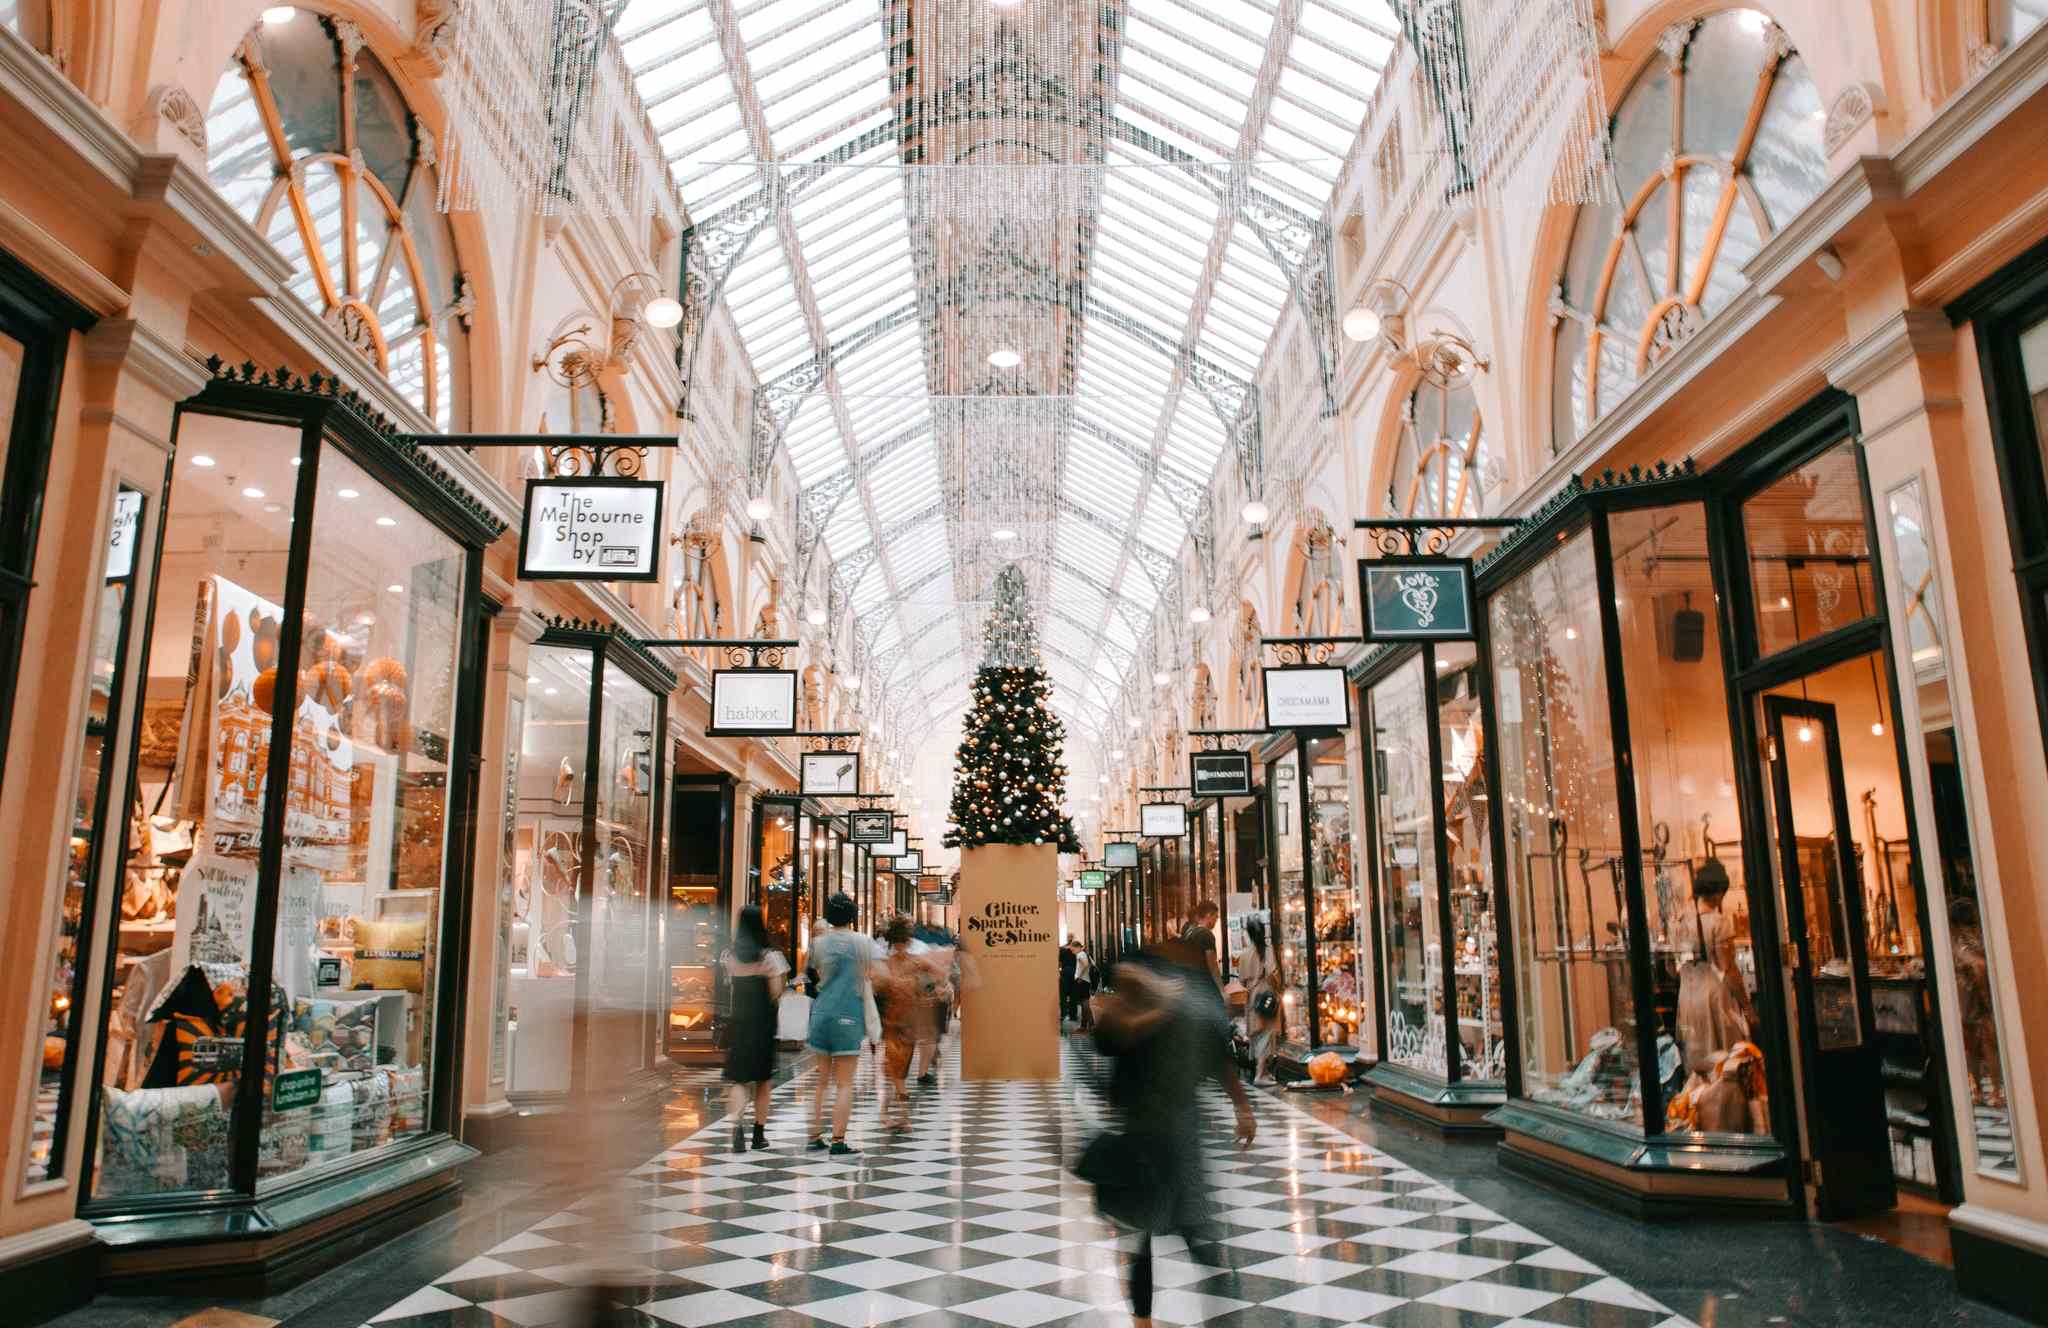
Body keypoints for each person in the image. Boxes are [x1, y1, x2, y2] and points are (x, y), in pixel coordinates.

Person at [1089, 954, 1257, 1328]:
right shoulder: (1133, 1017)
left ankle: (1167, 1320)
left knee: (1178, 1236)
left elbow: (1215, 1059)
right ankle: (1147, 1321)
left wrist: (1243, 1108)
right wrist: (1242, 1108)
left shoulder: (1167, 1016)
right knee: (1156, 1238)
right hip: (1151, 1139)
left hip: (1167, 1139)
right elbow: (1107, 1041)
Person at [806, 892, 875, 1154]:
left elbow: (817, 973)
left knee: (821, 1081)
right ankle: (838, 1140)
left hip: (821, 1013)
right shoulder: (862, 942)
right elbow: (870, 975)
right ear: (853, 915)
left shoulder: (818, 944)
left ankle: (814, 1136)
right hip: (848, 1014)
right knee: (844, 1083)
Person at [1675, 860, 1757, 1078]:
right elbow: (1728, 969)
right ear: (1720, 892)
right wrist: (1747, 1008)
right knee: (1726, 1061)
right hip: (1715, 998)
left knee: (1697, 1061)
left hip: (1688, 998)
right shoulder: (1719, 923)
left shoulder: (1681, 921)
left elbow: (1672, 965)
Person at [872, 914, 951, 1131]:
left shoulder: (886, 964)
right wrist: (931, 990)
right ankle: (889, 1113)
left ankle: (901, 1116)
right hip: (908, 1021)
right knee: (895, 1070)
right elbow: (941, 973)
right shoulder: (916, 961)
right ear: (907, 940)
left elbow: (876, 986)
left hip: (891, 1021)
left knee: (894, 1071)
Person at [722, 906, 786, 1153]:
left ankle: (737, 1129)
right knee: (762, 1080)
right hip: (762, 1024)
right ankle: (758, 1134)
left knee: (739, 1079)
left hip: (739, 1022)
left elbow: (729, 985)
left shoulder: (730, 956)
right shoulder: (770, 958)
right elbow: (776, 992)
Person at [1237, 914, 1283, 1085]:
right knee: (1267, 1032)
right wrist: (1278, 989)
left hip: (1251, 996)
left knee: (1256, 1032)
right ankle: (1260, 1073)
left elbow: (1242, 979)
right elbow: (1273, 973)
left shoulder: (1244, 954)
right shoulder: (1267, 951)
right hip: (1266, 993)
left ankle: (1261, 1070)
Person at [1181, 899, 1223, 990]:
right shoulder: (1206, 934)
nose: (1217, 919)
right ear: (1209, 915)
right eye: (1216, 916)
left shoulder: (1190, 932)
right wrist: (1222, 990)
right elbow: (1213, 967)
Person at [1072, 939, 1095, 1032]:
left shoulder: (1080, 954)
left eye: (1073, 949)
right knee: (1083, 1003)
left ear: (1077, 947)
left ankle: (1091, 1025)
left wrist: (1080, 977)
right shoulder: (1084, 954)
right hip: (1086, 981)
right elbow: (1090, 964)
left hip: (1082, 982)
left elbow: (1085, 965)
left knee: (1084, 1003)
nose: (1072, 951)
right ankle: (1084, 1026)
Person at [1059, 938, 1081, 1027]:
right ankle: (1073, 1015)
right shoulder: (1077, 953)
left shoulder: (1063, 951)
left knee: (1063, 995)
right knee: (1073, 996)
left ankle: (1064, 1013)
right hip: (1074, 974)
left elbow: (1059, 962)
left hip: (1065, 973)